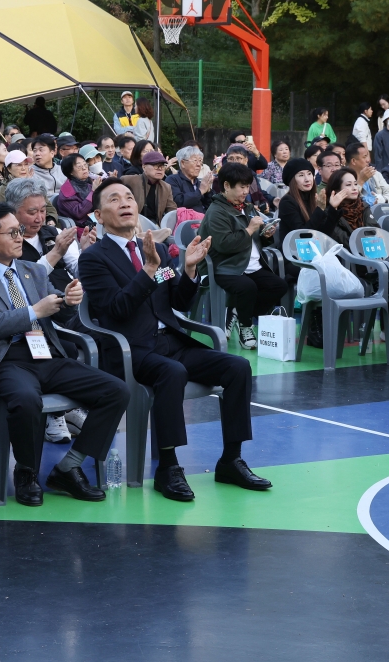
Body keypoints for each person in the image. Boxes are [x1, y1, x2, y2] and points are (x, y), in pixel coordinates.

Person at [78, 178, 268, 500]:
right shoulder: (95, 259)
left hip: (171, 343)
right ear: (98, 215)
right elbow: (117, 308)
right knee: (172, 372)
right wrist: (149, 270)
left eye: (128, 197)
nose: (125, 203)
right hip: (132, 349)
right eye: (114, 199)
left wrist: (189, 271)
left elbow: (176, 300)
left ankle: (231, 459)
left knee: (237, 367)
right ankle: (167, 467)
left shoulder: (160, 251)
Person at [0, 202, 130, 506]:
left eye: (19, 231)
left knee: (116, 390)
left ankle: (69, 465)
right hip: (7, 359)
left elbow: (59, 319)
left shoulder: (32, 271)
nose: (20, 237)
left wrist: (69, 302)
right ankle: (26, 472)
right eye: (11, 233)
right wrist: (34, 310)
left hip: (47, 353)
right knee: (25, 400)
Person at [201, 163, 284, 351]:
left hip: (250, 264)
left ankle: (237, 312)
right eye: (241, 187)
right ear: (227, 186)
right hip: (224, 266)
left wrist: (265, 234)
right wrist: (250, 229)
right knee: (248, 287)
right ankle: (246, 327)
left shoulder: (247, 208)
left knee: (279, 286)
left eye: (248, 186)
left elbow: (256, 240)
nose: (245, 191)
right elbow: (224, 244)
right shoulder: (216, 211)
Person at [120, 149, 175, 225]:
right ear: (144, 167)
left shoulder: (166, 187)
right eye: (155, 165)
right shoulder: (129, 180)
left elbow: (172, 211)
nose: (160, 168)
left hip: (155, 226)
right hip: (132, 224)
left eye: (162, 166)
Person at [167, 146, 213, 213]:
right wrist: (200, 191)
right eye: (195, 160)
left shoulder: (199, 183)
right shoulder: (172, 180)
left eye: (200, 161)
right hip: (183, 222)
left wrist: (208, 192)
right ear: (183, 163)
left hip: (202, 221)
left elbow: (210, 207)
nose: (199, 164)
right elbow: (179, 202)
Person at [56, 153, 96, 227]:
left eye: (85, 164)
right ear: (70, 172)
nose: (84, 168)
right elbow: (78, 213)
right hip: (79, 228)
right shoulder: (67, 191)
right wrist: (93, 192)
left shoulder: (89, 184)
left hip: (95, 222)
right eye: (79, 167)